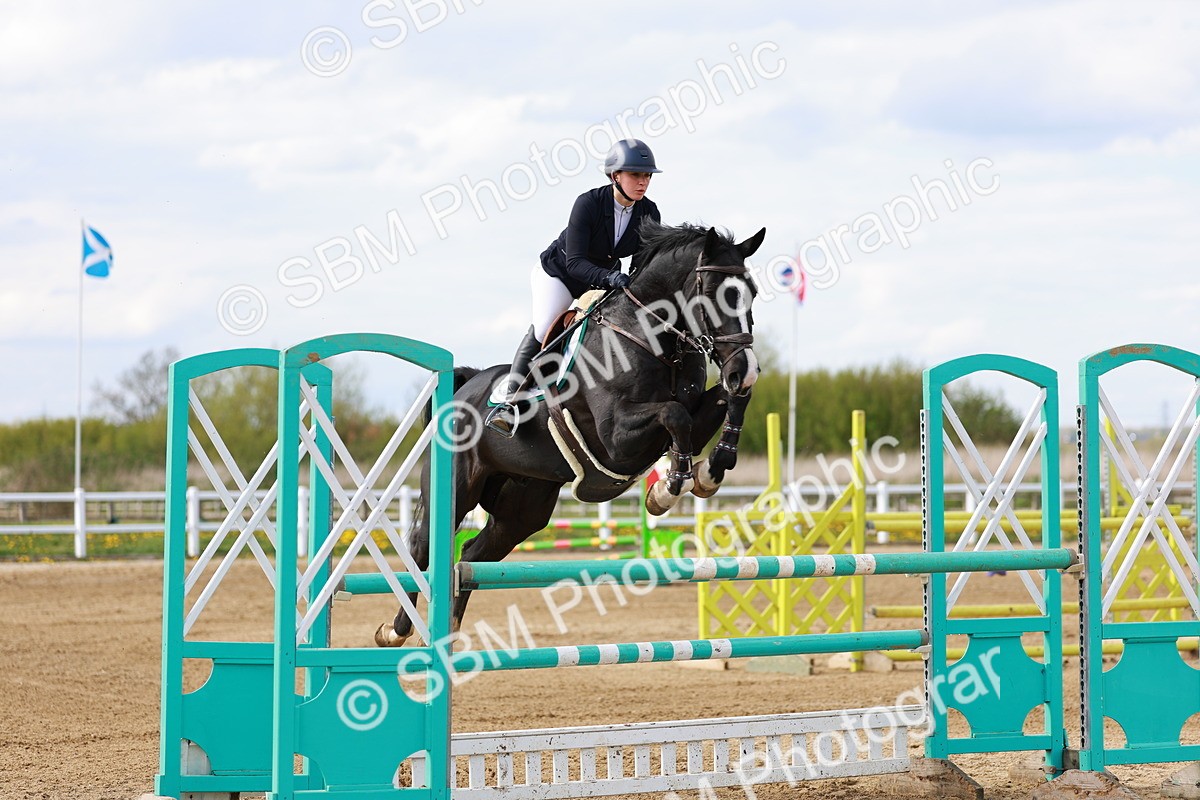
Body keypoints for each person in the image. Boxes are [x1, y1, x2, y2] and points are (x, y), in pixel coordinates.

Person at [484, 139, 663, 437]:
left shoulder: (650, 212)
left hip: (602, 279)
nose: (642, 182)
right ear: (615, 175)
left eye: (646, 176)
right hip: (560, 275)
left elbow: (641, 263)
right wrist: (611, 278)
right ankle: (510, 403)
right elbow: (575, 263)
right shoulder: (589, 203)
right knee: (544, 328)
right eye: (636, 175)